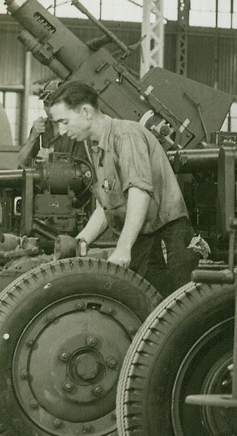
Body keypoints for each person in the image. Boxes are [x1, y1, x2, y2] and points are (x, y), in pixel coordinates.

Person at [46, 81, 195, 296]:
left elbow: (139, 192)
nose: (61, 130)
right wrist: (80, 243)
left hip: (168, 240)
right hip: (142, 239)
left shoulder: (126, 135)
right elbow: (106, 206)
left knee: (171, 308)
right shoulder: (95, 147)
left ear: (86, 112)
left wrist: (124, 247)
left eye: (64, 121)